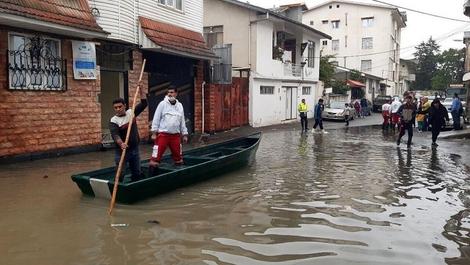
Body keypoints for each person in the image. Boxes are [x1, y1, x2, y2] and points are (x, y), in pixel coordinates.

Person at [109, 89, 148, 182]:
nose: (118, 109)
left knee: (137, 172)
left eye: (120, 107)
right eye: (116, 108)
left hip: (135, 149)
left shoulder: (131, 113)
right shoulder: (113, 120)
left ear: (125, 106)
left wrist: (141, 90)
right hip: (122, 151)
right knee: (120, 174)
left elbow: (144, 104)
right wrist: (121, 143)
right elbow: (115, 135)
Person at [149, 87, 189, 168]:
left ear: (176, 94)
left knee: (178, 157)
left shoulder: (180, 106)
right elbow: (156, 118)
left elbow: (182, 121)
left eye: (171, 92)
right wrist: (154, 133)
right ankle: (153, 172)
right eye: (168, 92)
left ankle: (179, 170)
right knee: (156, 156)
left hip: (175, 136)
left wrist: (185, 134)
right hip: (163, 135)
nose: (169, 94)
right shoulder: (162, 104)